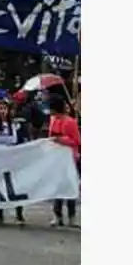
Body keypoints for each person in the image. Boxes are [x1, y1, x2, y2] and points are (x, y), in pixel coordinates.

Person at [0, 100, 28, 225]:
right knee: (0, 187)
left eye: (5, 108)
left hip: (13, 160)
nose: (3, 111)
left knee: (17, 187)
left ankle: (19, 214)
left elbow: (20, 141)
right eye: (1, 108)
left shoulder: (15, 126)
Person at [46, 98, 81, 228]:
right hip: (56, 158)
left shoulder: (70, 122)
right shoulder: (53, 120)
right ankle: (57, 215)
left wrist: (61, 140)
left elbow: (76, 141)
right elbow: (50, 137)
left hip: (70, 159)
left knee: (70, 187)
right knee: (58, 187)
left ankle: (72, 216)